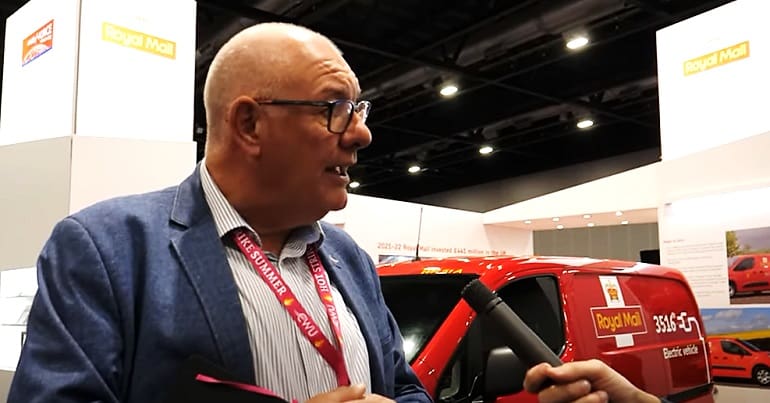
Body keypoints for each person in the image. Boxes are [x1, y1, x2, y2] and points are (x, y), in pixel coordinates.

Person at [7, 22, 668, 403]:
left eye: (359, 111)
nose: (362, 134)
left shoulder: (345, 258)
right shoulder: (107, 249)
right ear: (249, 124)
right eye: (336, 109)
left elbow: (403, 392)